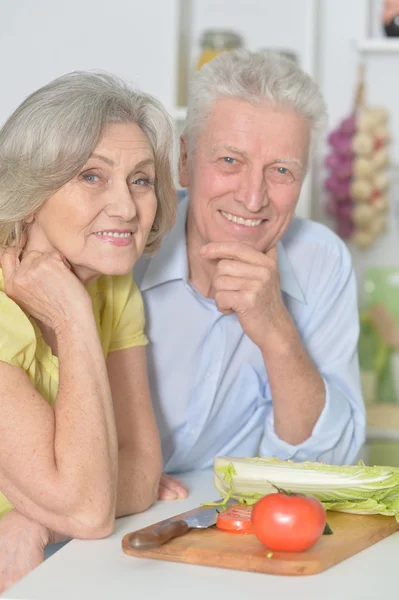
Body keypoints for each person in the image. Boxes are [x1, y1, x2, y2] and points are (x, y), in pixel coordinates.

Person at [135, 50, 366, 499]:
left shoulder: (321, 261)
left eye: (281, 171)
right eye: (229, 161)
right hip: (105, 518)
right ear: (184, 161)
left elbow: (330, 469)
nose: (254, 197)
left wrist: (277, 331)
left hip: (229, 524)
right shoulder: (128, 248)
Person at [0, 71, 176, 591]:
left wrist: (36, 516)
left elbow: (141, 467)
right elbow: (88, 510)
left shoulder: (113, 290)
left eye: (140, 180)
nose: (126, 206)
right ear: (28, 190)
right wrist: (74, 320)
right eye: (91, 176)